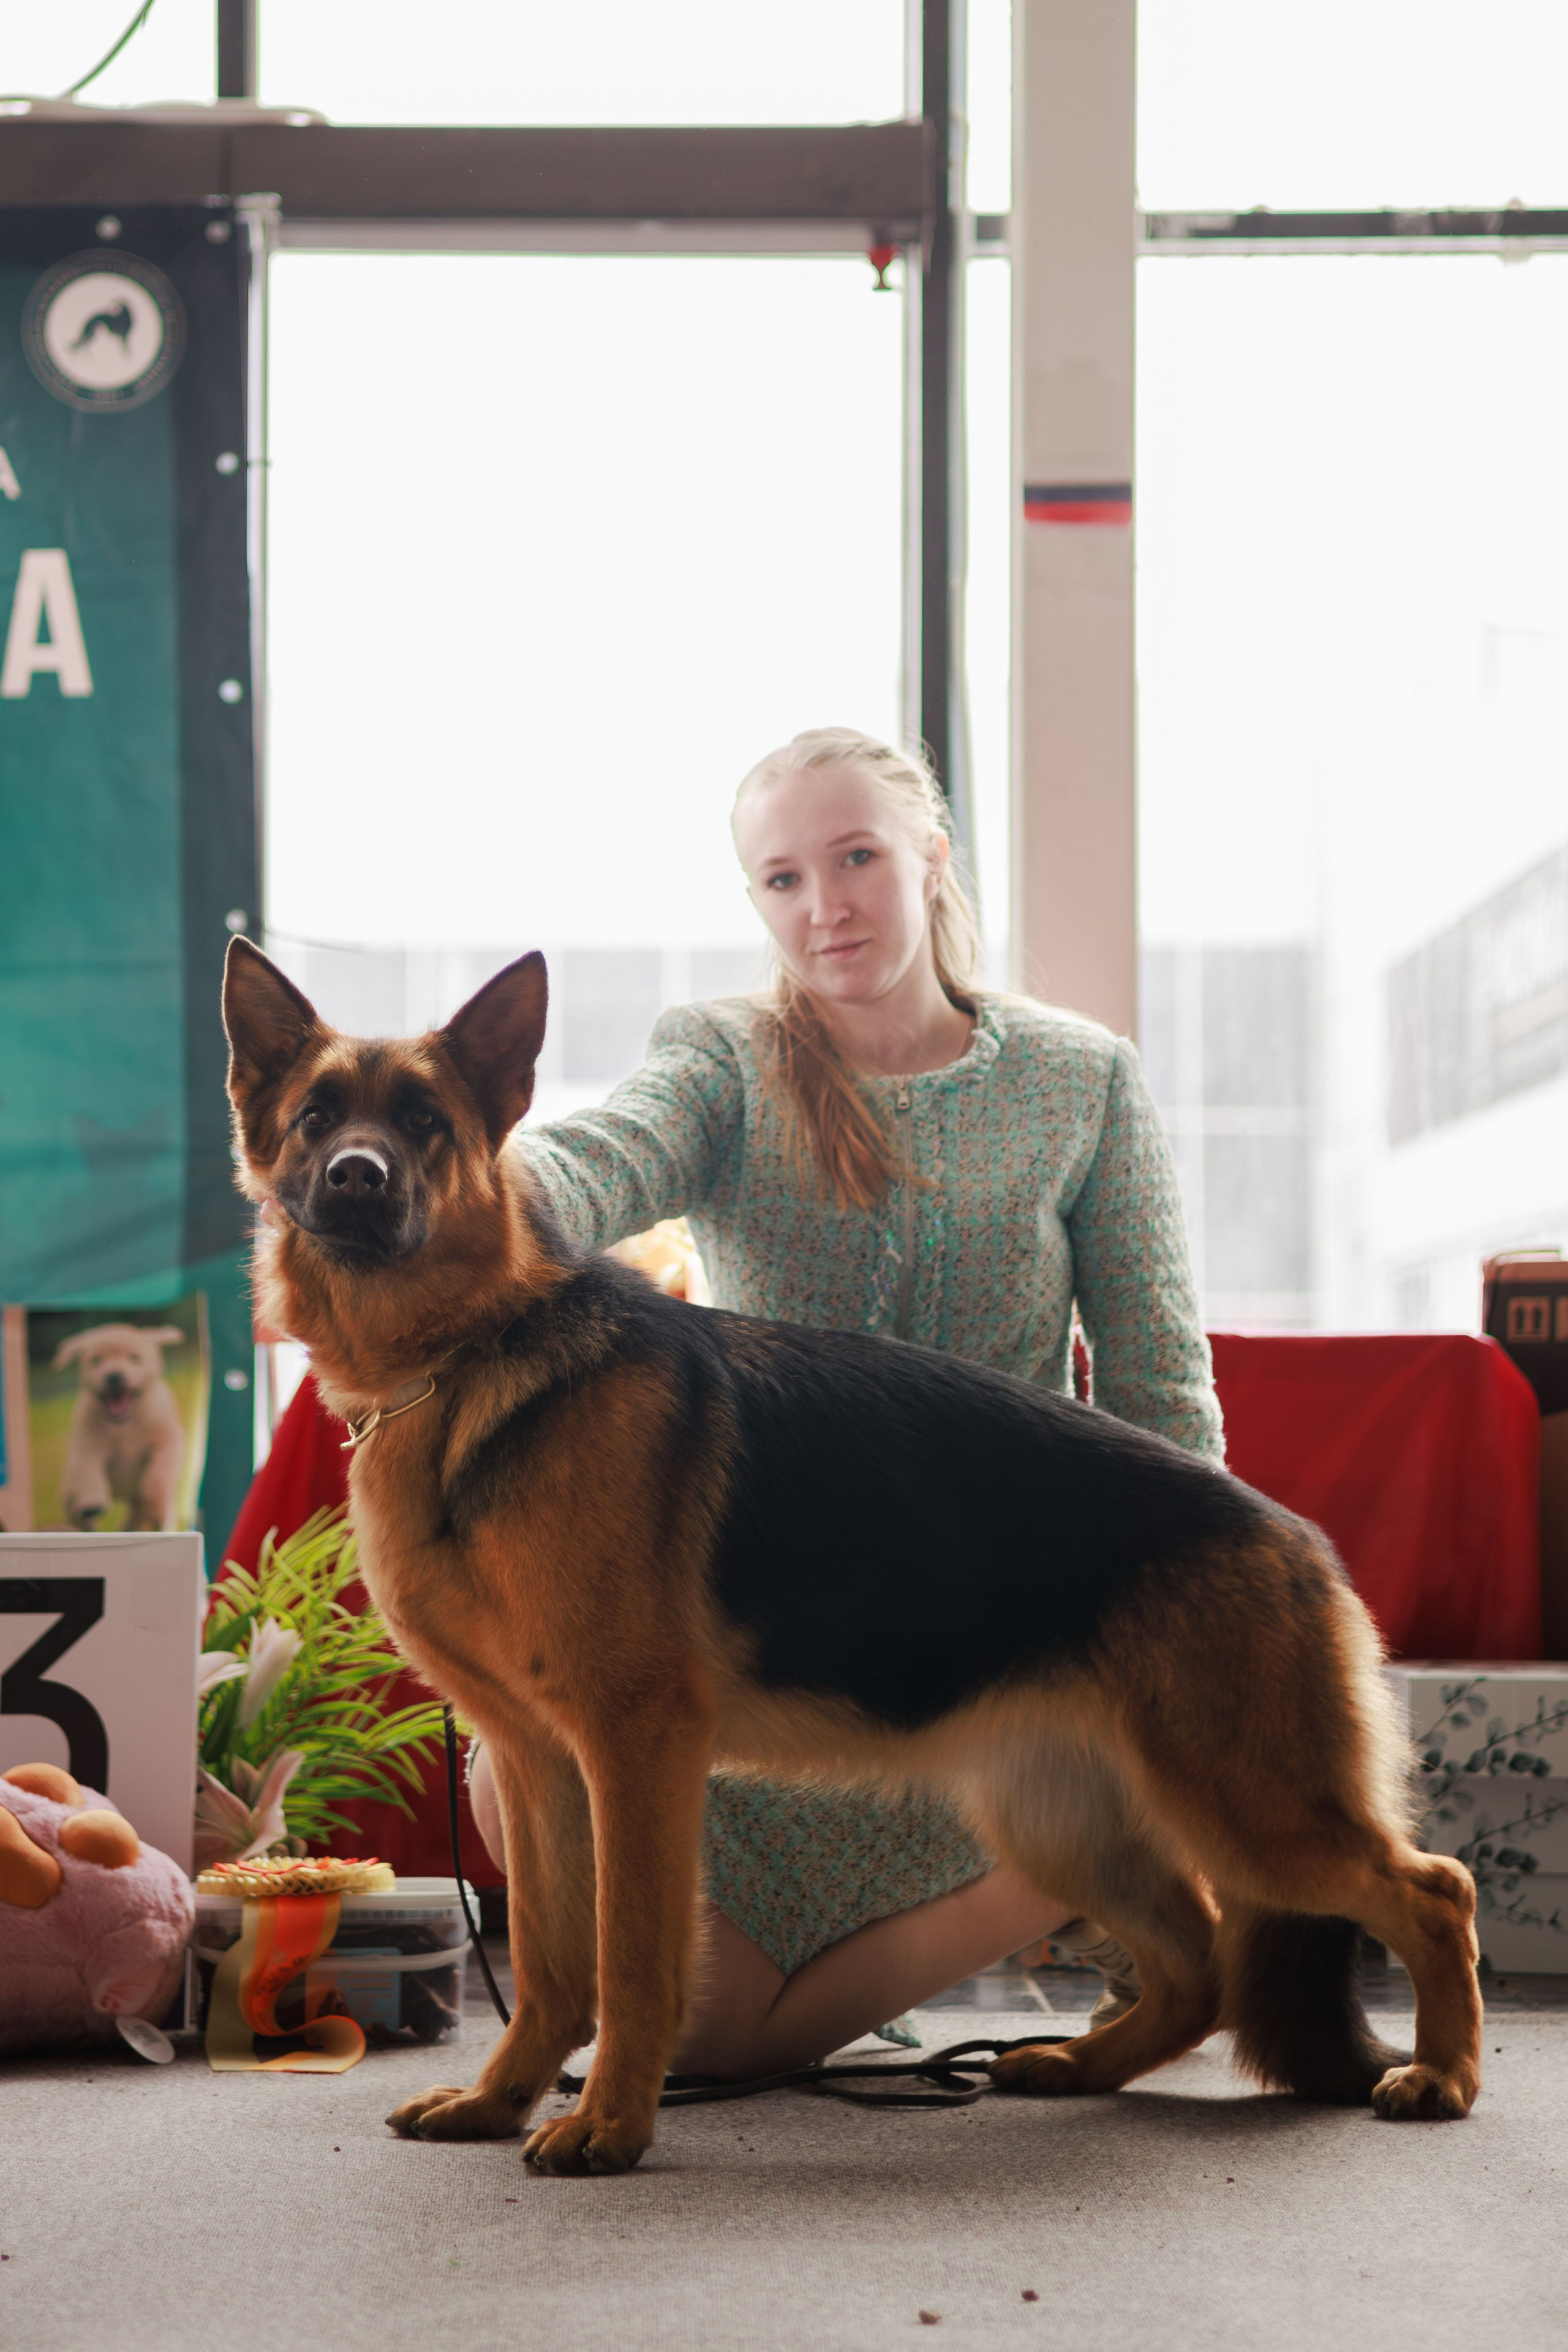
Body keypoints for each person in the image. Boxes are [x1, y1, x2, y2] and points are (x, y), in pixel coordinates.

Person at [469, 725, 1224, 2081]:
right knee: (510, 1757)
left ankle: (1057, 1867)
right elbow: (599, 1157)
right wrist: (444, 1179)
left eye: (857, 858)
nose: (824, 909)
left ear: (931, 856)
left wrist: (1174, 1659)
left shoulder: (1081, 1079)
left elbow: (1161, 1387)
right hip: (768, 1625)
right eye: (781, 879)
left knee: (696, 2047)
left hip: (987, 1648)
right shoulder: (717, 1056)